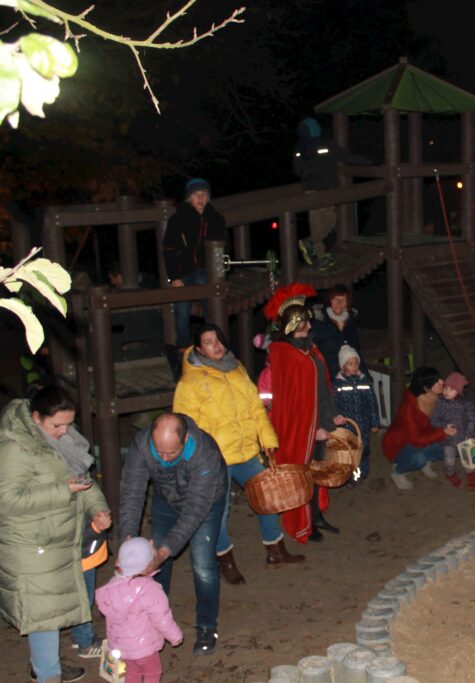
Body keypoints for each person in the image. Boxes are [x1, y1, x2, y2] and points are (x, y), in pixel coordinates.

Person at [172, 324, 304, 586]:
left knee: (267, 498)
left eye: (218, 340)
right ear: (198, 349)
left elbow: (256, 408)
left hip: (246, 451)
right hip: (215, 457)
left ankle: (275, 551)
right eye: (209, 342)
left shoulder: (237, 369)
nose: (216, 346)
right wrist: (194, 458)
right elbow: (183, 424)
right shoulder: (190, 382)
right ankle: (225, 560)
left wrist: (267, 440)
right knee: (219, 511)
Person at [0, 386, 110, 683]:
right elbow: (7, 500)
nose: (64, 431)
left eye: (68, 424)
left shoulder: (60, 438)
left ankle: (45, 666)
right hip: (30, 542)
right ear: (36, 417)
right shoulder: (15, 446)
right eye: (57, 425)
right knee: (44, 612)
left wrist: (97, 507)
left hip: (59, 537)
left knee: (51, 607)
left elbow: (82, 479)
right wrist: (64, 490)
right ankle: (49, 675)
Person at [118, 413, 227, 655]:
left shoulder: (204, 453)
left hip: (206, 503)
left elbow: (194, 512)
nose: (164, 458)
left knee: (203, 565)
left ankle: (207, 626)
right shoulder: (141, 445)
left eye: (171, 453)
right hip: (165, 499)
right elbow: (132, 493)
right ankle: (155, 619)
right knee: (155, 562)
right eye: (159, 451)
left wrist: (166, 550)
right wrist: (127, 540)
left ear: (185, 439)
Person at [264, 283, 345, 543]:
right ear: (291, 327)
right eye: (303, 325)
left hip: (318, 422)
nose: (309, 328)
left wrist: (331, 416)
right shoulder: (288, 356)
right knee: (305, 475)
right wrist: (313, 429)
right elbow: (293, 404)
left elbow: (323, 388)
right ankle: (305, 524)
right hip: (304, 430)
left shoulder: (308, 351)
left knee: (318, 473)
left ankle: (316, 517)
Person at [95, 537, 183, 683]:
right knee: (153, 672)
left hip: (121, 647)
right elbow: (161, 618)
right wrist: (175, 636)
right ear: (149, 565)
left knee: (132, 672)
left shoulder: (110, 588)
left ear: (119, 562)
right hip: (144, 647)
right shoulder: (149, 589)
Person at [293, 116, 369, 269]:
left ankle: (311, 243)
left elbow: (296, 170)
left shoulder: (300, 148)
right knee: (323, 222)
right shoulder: (325, 144)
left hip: (315, 191)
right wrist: (369, 162)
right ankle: (320, 257)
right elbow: (346, 157)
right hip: (323, 190)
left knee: (324, 222)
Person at [163, 178, 227, 348]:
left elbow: (221, 248)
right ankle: (183, 347)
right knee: (181, 308)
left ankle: (212, 343)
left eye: (204, 194)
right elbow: (168, 251)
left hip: (207, 271)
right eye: (196, 195)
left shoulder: (216, 219)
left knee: (208, 297)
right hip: (183, 271)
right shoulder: (177, 220)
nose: (200, 198)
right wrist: (174, 277)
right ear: (188, 198)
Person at [382, 367, 452, 489]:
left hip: (423, 438)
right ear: (426, 388)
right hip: (399, 443)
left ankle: (425, 461)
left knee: (451, 446)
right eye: (437, 381)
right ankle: (398, 471)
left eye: (440, 378)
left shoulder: (439, 397)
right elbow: (416, 439)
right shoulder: (409, 409)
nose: (442, 382)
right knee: (418, 458)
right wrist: (443, 432)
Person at [331, 345, 380, 486]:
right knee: (349, 452)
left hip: (363, 425)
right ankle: (351, 477)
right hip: (347, 426)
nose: (354, 366)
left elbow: (372, 403)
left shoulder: (364, 381)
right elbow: (333, 404)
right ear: (343, 366)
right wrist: (335, 419)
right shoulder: (337, 384)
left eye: (356, 363)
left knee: (363, 450)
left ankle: (361, 474)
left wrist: (375, 422)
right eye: (350, 364)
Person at [430, 372, 475, 489]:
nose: (447, 391)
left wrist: (470, 432)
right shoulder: (441, 403)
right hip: (448, 439)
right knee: (449, 461)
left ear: (459, 391)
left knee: (469, 459)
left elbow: (473, 417)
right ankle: (450, 474)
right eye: (446, 388)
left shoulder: (466, 402)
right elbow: (433, 420)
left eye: (451, 389)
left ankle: (470, 474)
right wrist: (445, 426)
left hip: (465, 437)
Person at [311, 284, 362, 378]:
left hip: (349, 378)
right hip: (327, 377)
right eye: (335, 299)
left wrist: (366, 377)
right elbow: (313, 353)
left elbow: (357, 351)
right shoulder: (319, 323)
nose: (339, 303)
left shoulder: (351, 323)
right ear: (330, 301)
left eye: (343, 300)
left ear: (347, 303)